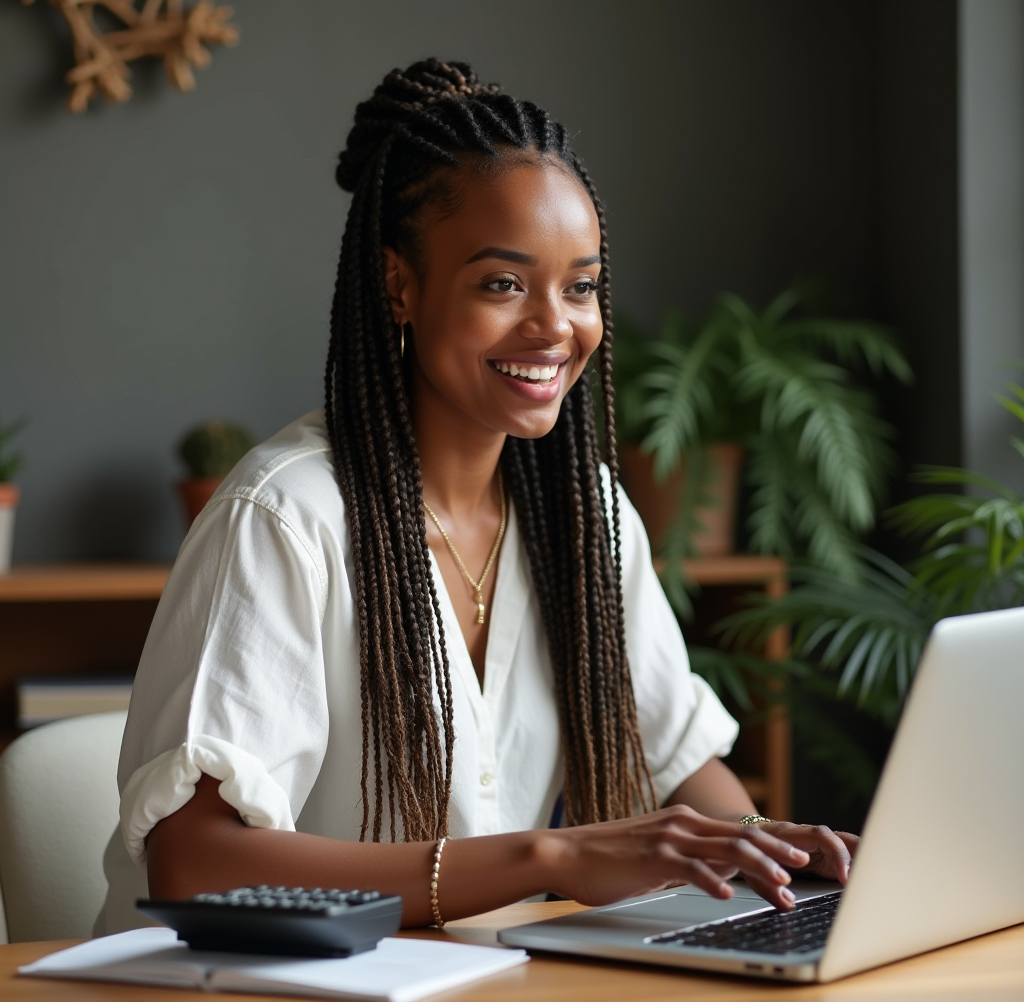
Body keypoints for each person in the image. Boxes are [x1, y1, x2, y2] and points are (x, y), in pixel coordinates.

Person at [106, 60, 857, 932]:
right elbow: (196, 867)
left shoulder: (589, 516)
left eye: (580, 285)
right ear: (400, 285)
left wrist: (783, 854)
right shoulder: (284, 517)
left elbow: (678, 765)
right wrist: (549, 858)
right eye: (503, 283)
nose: (554, 326)